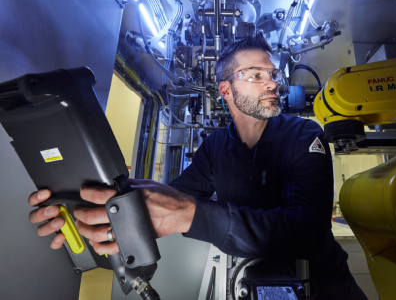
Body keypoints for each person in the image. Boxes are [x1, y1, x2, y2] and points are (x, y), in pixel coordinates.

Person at [28, 32, 367, 299]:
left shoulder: (304, 134)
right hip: (248, 280)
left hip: (325, 286)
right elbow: (174, 195)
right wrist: (97, 206)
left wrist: (191, 214)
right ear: (226, 89)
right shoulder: (216, 145)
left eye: (272, 74)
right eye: (255, 74)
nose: (272, 83)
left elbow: (307, 230)